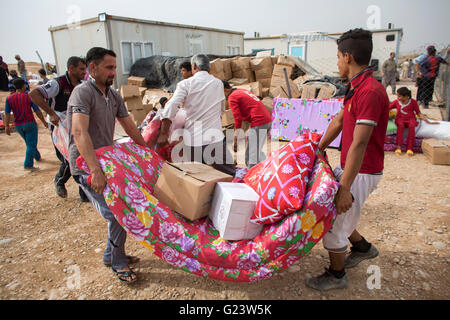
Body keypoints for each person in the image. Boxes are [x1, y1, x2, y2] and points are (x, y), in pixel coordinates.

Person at [306, 28, 389, 291]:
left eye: (339, 57)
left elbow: (360, 143)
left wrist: (345, 188)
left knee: (335, 222)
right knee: (341, 213)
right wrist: (318, 148)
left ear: (349, 56)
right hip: (354, 166)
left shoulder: (371, 92)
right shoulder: (357, 86)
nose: (337, 62)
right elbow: (340, 120)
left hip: (362, 170)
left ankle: (336, 275)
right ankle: (362, 248)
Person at [68, 47, 147, 283]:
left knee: (120, 208)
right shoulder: (82, 93)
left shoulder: (112, 96)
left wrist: (148, 153)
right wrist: (94, 171)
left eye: (115, 67)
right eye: (109, 67)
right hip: (85, 165)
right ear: (93, 68)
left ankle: (109, 255)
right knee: (116, 211)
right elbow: (79, 131)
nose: (114, 72)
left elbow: (130, 126)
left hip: (105, 162)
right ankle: (118, 261)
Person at [157, 54, 236, 176]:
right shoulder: (218, 84)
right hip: (215, 139)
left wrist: (163, 133)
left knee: (197, 179)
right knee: (229, 175)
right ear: (208, 68)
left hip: (193, 141)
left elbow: (171, 106)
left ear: (194, 66)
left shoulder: (185, 84)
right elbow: (221, 111)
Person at [30, 57, 88, 202]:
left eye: (84, 69)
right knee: (69, 158)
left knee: (83, 155)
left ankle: (85, 193)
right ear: (71, 68)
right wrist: (51, 113)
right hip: (60, 127)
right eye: (81, 69)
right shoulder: (58, 83)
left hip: (76, 124)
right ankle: (60, 180)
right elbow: (34, 94)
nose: (84, 72)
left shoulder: (82, 85)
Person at [223, 81, 272, 168]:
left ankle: (251, 175)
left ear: (225, 90)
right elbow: (251, 107)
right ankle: (266, 168)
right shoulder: (241, 91)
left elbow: (237, 119)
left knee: (251, 154)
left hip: (259, 121)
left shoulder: (232, 97)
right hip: (266, 120)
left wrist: (235, 139)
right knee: (256, 149)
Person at [3, 78, 48, 171]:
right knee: (31, 144)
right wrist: (43, 121)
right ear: (23, 85)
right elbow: (37, 111)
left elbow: (7, 113)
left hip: (19, 125)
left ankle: (37, 156)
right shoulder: (28, 97)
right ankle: (28, 164)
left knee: (29, 143)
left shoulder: (9, 98)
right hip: (30, 123)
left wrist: (6, 126)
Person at [390, 87, 438, 156]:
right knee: (400, 126)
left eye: (399, 96)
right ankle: (398, 147)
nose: (398, 98)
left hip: (411, 118)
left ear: (406, 96)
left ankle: (410, 148)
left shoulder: (413, 102)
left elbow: (418, 112)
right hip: (400, 118)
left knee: (412, 126)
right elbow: (388, 107)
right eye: (397, 96)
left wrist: (426, 120)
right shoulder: (396, 102)